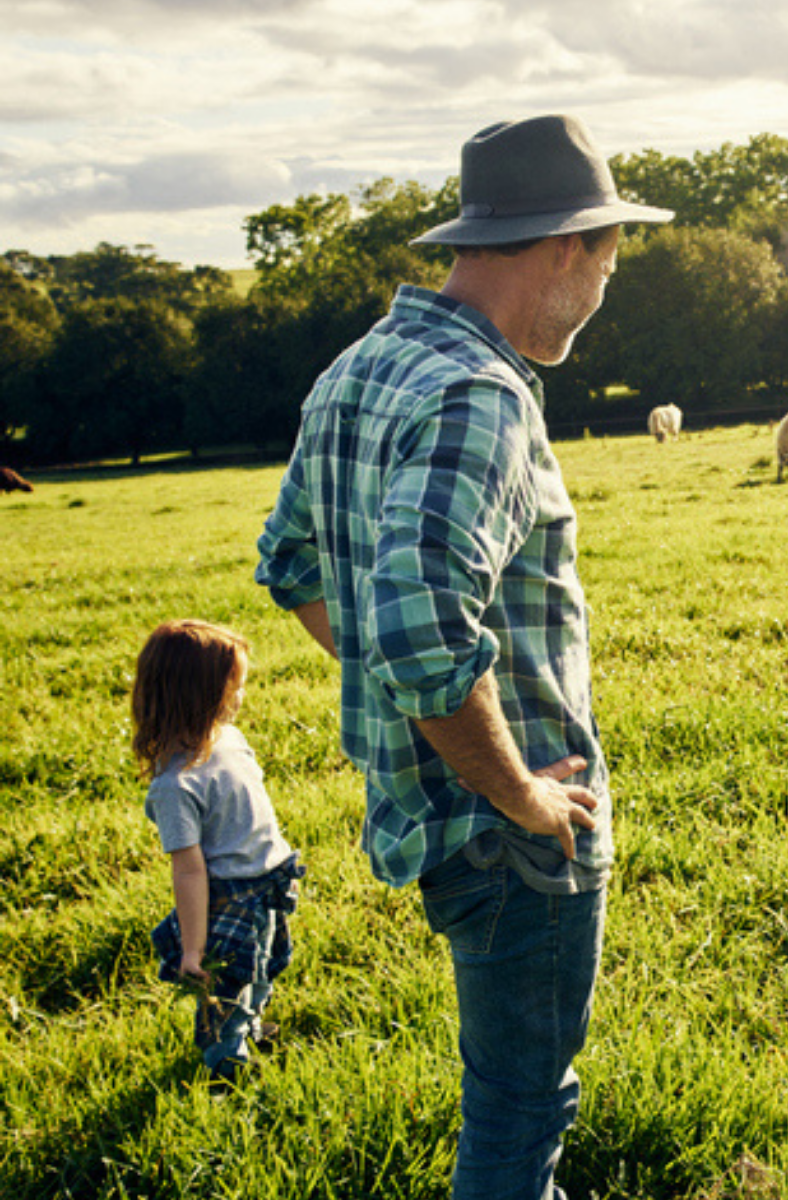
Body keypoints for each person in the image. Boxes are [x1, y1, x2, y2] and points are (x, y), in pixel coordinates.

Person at [254, 114, 672, 1200]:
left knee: (513, 1101)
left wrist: (411, 703)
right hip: (512, 839)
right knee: (520, 1113)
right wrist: (519, 789)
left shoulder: (359, 368)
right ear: (567, 247)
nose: (607, 287)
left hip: (433, 817)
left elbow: (292, 563)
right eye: (611, 261)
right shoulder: (479, 396)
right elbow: (419, 628)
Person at [132, 619, 304, 1083]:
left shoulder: (227, 739)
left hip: (269, 881)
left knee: (264, 966)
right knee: (229, 985)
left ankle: (250, 1025)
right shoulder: (175, 786)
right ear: (201, 694)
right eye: (236, 686)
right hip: (230, 895)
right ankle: (226, 1065)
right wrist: (193, 949)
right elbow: (188, 872)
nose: (242, 695)